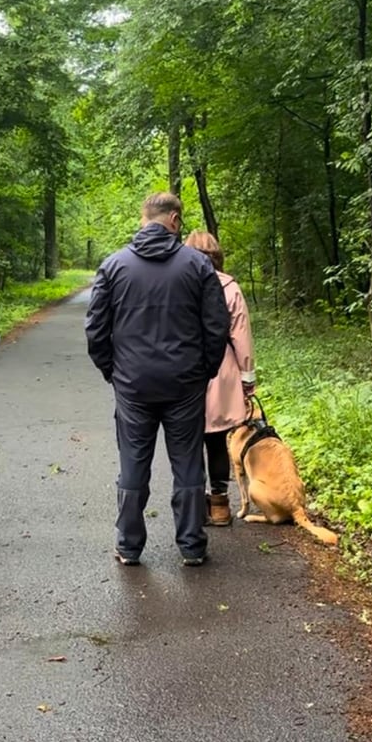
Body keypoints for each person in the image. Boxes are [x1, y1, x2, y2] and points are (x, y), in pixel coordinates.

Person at [85, 192, 230, 567]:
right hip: (184, 383)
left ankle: (129, 546)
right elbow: (216, 327)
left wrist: (113, 372)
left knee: (133, 462)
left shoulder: (114, 266)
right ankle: (192, 546)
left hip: (133, 383)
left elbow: (96, 330)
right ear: (176, 221)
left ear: (144, 220)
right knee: (187, 464)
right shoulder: (198, 266)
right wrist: (205, 371)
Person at [184, 230, 256, 527]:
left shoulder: (180, 282)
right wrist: (247, 377)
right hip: (222, 368)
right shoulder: (230, 287)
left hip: (186, 367)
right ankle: (221, 505)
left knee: (188, 441)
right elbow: (240, 335)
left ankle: (195, 504)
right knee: (216, 440)